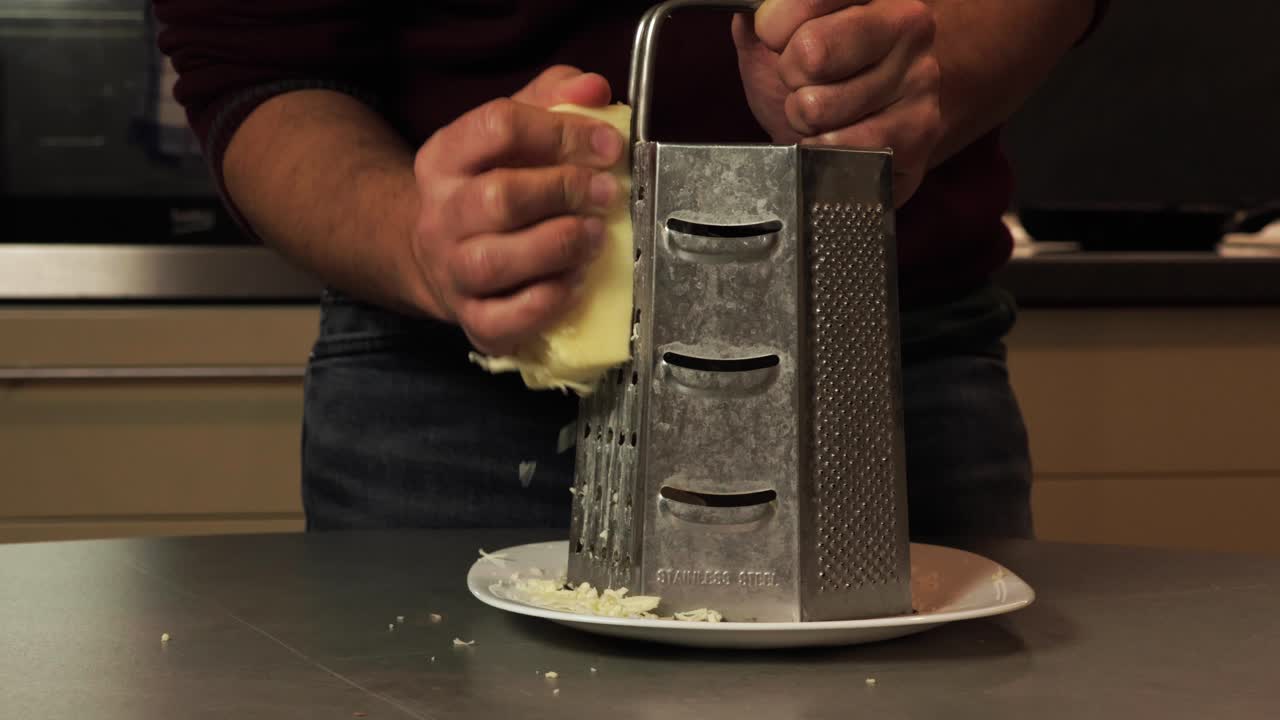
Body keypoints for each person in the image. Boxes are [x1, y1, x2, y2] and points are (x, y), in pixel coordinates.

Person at [153, 0, 1105, 538]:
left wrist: (895, 84)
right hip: (445, 394)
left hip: (875, 358)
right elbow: (249, 57)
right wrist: (417, 237)